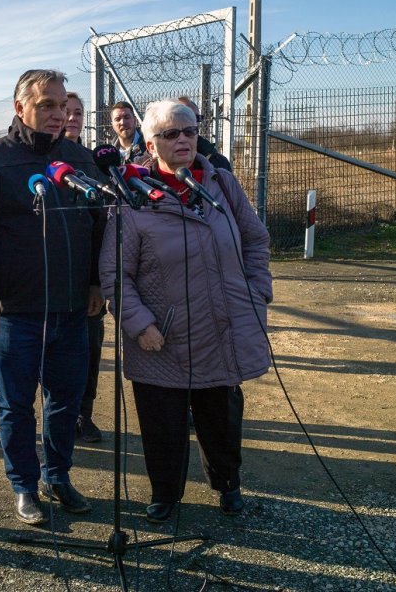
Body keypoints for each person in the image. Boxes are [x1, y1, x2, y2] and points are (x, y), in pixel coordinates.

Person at [99, 99, 272, 523]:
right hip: (163, 337)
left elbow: (255, 239)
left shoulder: (221, 183)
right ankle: (165, 492)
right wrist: (140, 324)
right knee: (162, 422)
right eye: (171, 133)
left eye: (190, 131)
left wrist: (257, 290)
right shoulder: (132, 196)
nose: (183, 140)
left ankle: (228, 485)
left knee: (222, 416)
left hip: (221, 326)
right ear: (150, 143)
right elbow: (115, 273)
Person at [0, 69, 103, 526]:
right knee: (16, 405)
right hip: (15, 313)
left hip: (72, 310)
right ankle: (24, 484)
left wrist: (96, 282)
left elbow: (98, 224)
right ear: (20, 108)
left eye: (62, 106)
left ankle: (58, 476)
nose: (58, 114)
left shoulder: (79, 159)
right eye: (46, 105)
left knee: (65, 401)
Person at [63, 91, 104, 443]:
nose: (72, 118)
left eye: (78, 112)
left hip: (86, 279)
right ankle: (60, 416)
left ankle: (83, 414)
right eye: (66, 111)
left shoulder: (91, 162)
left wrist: (97, 282)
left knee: (90, 349)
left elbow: (101, 224)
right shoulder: (38, 161)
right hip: (49, 280)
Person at [176, 95, 233, 172]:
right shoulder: (161, 157)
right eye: (185, 117)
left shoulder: (218, 162)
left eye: (196, 118)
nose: (192, 122)